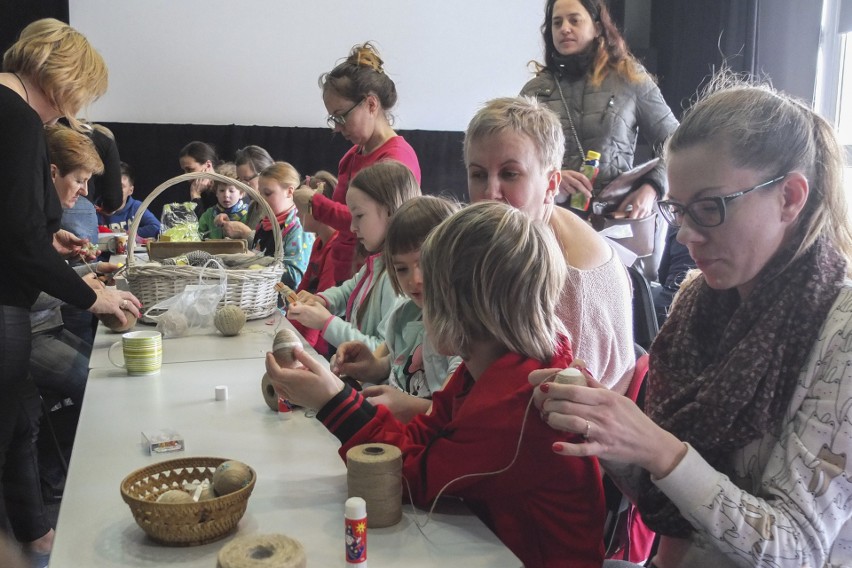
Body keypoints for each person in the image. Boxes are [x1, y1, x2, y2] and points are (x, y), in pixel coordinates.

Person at [532, 78, 852, 567]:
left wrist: (658, 448)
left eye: (710, 208)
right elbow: (669, 502)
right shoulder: (697, 302)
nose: (686, 233)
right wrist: (600, 421)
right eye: (679, 209)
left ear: (789, 196)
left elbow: (797, 550)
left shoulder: (841, 330)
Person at [266, 201, 606, 568]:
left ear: (467, 309)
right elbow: (424, 435)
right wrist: (339, 396)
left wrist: (332, 401)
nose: (418, 298)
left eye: (432, 293)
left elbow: (411, 478)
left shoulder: (516, 406)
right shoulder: (491, 367)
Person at [0, 18, 140, 563]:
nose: (72, 111)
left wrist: (43, 236)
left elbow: (15, 228)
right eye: (80, 94)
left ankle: (34, 536)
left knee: (17, 427)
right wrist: (94, 298)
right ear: (62, 75)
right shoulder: (15, 119)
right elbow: (16, 240)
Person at [465, 96, 634, 393]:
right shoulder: (515, 238)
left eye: (509, 174)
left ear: (552, 185)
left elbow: (559, 411)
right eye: (478, 175)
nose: (490, 192)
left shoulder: (573, 280)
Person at [521, 0, 678, 274]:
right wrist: (550, 176)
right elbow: (517, 159)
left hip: (614, 223)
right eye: (557, 23)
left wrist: (652, 187)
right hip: (554, 224)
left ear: (596, 27)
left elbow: (677, 142)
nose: (565, 29)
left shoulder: (629, 78)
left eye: (574, 20)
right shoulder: (535, 90)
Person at [293, 42, 421, 286]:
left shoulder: (397, 158)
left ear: (371, 104)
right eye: (333, 118)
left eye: (341, 116)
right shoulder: (351, 156)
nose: (337, 127)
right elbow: (348, 224)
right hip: (346, 280)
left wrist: (314, 203)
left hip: (379, 282)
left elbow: (377, 223)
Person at [332, 196, 462, 423]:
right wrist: (372, 367)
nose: (415, 280)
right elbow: (399, 364)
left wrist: (412, 408)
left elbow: (454, 412)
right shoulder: (404, 313)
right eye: (401, 269)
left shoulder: (462, 331)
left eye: (425, 263)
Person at [287, 161, 418, 352]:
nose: (352, 227)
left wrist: (326, 323)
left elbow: (382, 351)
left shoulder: (398, 278)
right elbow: (348, 290)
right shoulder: (378, 262)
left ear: (390, 212)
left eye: (359, 216)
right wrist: (323, 300)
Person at [290, 172, 340, 357]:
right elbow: (302, 292)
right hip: (307, 334)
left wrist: (303, 350)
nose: (296, 213)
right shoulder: (319, 243)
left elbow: (322, 302)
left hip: (321, 345)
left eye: (300, 209)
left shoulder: (334, 248)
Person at [252, 161, 314, 289]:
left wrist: (258, 263)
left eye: (268, 193)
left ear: (289, 192)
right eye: (260, 193)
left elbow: (295, 277)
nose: (261, 198)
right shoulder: (263, 224)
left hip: (284, 305)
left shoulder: (297, 228)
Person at [220, 144, 274, 241]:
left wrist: (245, 232)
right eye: (240, 181)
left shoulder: (276, 206)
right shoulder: (254, 206)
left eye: (247, 179)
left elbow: (274, 246)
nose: (243, 186)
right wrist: (230, 227)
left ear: (265, 173)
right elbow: (251, 247)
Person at [98, 161, 161, 239]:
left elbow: (156, 227)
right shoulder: (94, 208)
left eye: (121, 186)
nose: (115, 190)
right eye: (111, 185)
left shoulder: (136, 207)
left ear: (130, 190)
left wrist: (125, 234)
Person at [198, 163, 247, 240]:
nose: (226, 195)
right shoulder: (209, 214)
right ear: (216, 192)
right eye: (221, 190)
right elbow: (198, 235)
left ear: (241, 193)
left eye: (231, 191)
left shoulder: (248, 214)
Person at [178, 140, 219, 217]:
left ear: (208, 165)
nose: (186, 176)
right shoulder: (193, 187)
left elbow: (203, 226)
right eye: (184, 170)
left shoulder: (225, 189)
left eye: (190, 169)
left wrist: (195, 195)